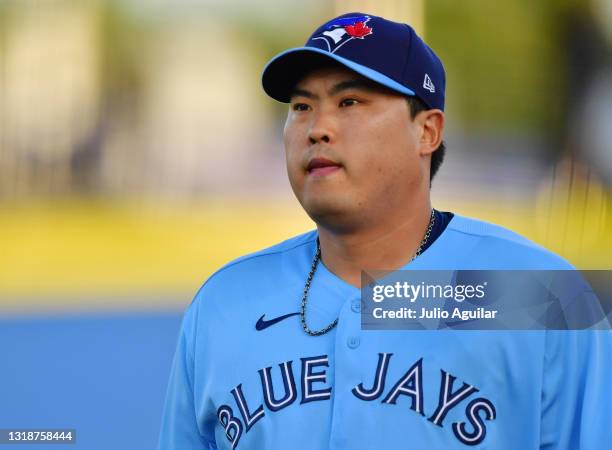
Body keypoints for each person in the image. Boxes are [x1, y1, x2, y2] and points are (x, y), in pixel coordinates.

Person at [158, 13, 611, 449]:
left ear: (427, 132)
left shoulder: (538, 294)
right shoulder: (224, 304)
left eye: (350, 102)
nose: (318, 128)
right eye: (301, 106)